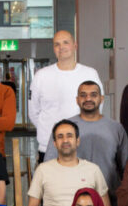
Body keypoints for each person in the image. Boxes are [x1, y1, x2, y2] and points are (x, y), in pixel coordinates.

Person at [44, 81, 128, 206]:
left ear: (101, 99)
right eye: (83, 95)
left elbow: (126, 168)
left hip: (108, 203)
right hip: (71, 203)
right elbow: (50, 166)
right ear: (77, 100)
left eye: (93, 95)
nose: (88, 99)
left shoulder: (116, 129)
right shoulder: (65, 128)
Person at [28, 30, 103, 158]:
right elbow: (33, 113)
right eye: (57, 44)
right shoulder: (41, 76)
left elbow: (97, 109)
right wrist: (49, 131)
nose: (61, 47)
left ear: (75, 45)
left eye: (65, 43)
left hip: (81, 146)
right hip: (49, 147)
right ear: (53, 49)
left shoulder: (90, 74)